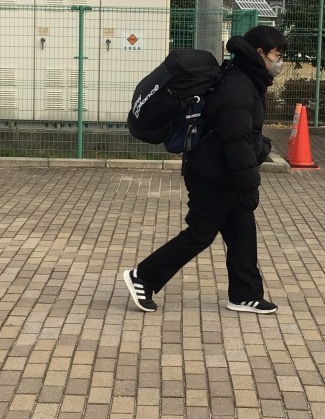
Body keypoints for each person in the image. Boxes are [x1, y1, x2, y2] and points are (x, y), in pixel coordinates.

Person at [123, 25, 287, 314]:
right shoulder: (238, 85)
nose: (280, 62)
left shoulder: (247, 79)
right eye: (277, 55)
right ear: (260, 52)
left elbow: (244, 135)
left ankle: (245, 295)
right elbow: (236, 141)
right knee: (200, 233)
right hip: (211, 175)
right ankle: (143, 277)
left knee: (242, 232)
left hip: (225, 172)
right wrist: (250, 184)